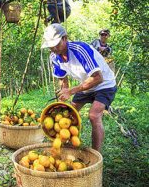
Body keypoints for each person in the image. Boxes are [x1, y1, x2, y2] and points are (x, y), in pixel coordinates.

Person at [42, 24, 117, 152]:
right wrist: (62, 100)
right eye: (50, 45)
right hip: (86, 85)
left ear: (65, 38)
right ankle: (69, 143)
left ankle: (96, 156)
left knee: (94, 115)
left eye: (56, 44)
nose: (53, 48)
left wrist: (71, 91)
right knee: (70, 114)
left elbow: (98, 78)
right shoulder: (54, 57)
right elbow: (63, 80)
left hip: (105, 84)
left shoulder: (80, 49)